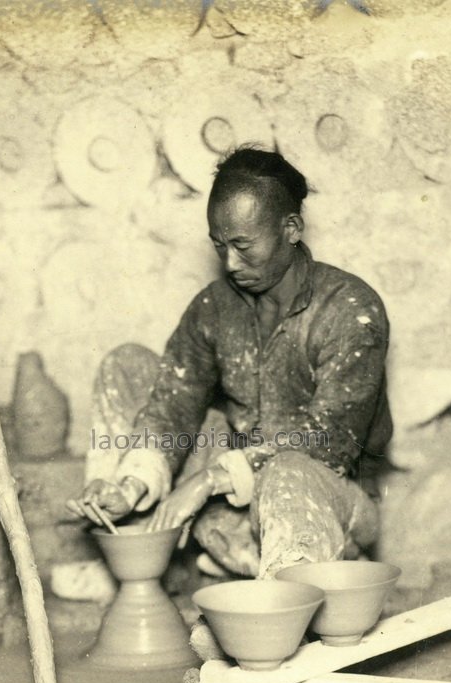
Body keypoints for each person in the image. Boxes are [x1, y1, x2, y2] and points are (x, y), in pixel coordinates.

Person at [67, 147, 392, 578]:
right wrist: (134, 482)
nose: (230, 263)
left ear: (291, 228)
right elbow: (173, 402)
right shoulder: (215, 307)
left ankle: (292, 599)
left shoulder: (350, 309)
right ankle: (134, 547)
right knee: (126, 365)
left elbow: (328, 440)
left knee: (288, 472)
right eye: (219, 246)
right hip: (233, 507)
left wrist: (208, 481)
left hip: (327, 506)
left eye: (242, 245)